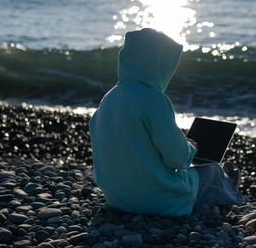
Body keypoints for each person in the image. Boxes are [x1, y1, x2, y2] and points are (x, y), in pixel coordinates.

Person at [89, 28, 243, 217]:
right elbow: (176, 159)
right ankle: (228, 186)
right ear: (159, 64)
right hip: (155, 199)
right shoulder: (154, 99)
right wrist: (190, 148)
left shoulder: (109, 98)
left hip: (117, 198)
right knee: (212, 172)